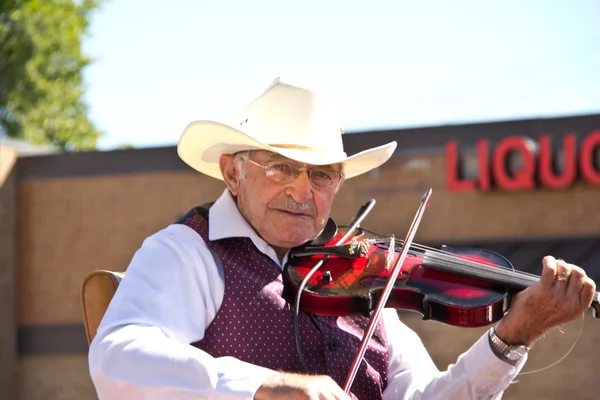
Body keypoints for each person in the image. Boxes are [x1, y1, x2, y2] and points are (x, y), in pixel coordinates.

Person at [88, 77, 596, 400]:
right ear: (231, 172)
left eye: (322, 175)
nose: (302, 191)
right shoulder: (184, 253)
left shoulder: (360, 276)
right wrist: (266, 387)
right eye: (281, 167)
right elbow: (118, 356)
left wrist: (512, 336)